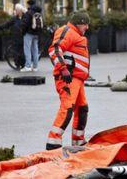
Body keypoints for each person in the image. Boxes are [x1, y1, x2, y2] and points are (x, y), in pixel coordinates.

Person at [46, 11, 90, 150]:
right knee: (67, 109)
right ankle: (53, 143)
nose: (87, 28)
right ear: (80, 23)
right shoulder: (68, 31)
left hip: (77, 79)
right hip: (68, 78)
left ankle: (78, 142)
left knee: (82, 109)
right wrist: (63, 68)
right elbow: (55, 49)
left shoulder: (76, 35)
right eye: (86, 24)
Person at [21, 0, 43, 72]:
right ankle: (35, 67)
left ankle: (28, 66)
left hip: (29, 33)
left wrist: (23, 32)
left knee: (27, 49)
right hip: (37, 34)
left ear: (29, 5)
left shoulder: (29, 12)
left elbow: (25, 23)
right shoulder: (39, 13)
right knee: (35, 50)